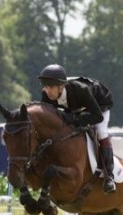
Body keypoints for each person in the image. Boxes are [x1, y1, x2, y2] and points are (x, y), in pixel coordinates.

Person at [37, 64, 116, 193]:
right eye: (45, 87)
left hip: (99, 104)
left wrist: (75, 119)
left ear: (61, 86)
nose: (47, 91)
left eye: (51, 87)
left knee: (101, 131)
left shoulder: (81, 90)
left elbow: (97, 117)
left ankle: (109, 176)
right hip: (75, 107)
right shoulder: (46, 95)